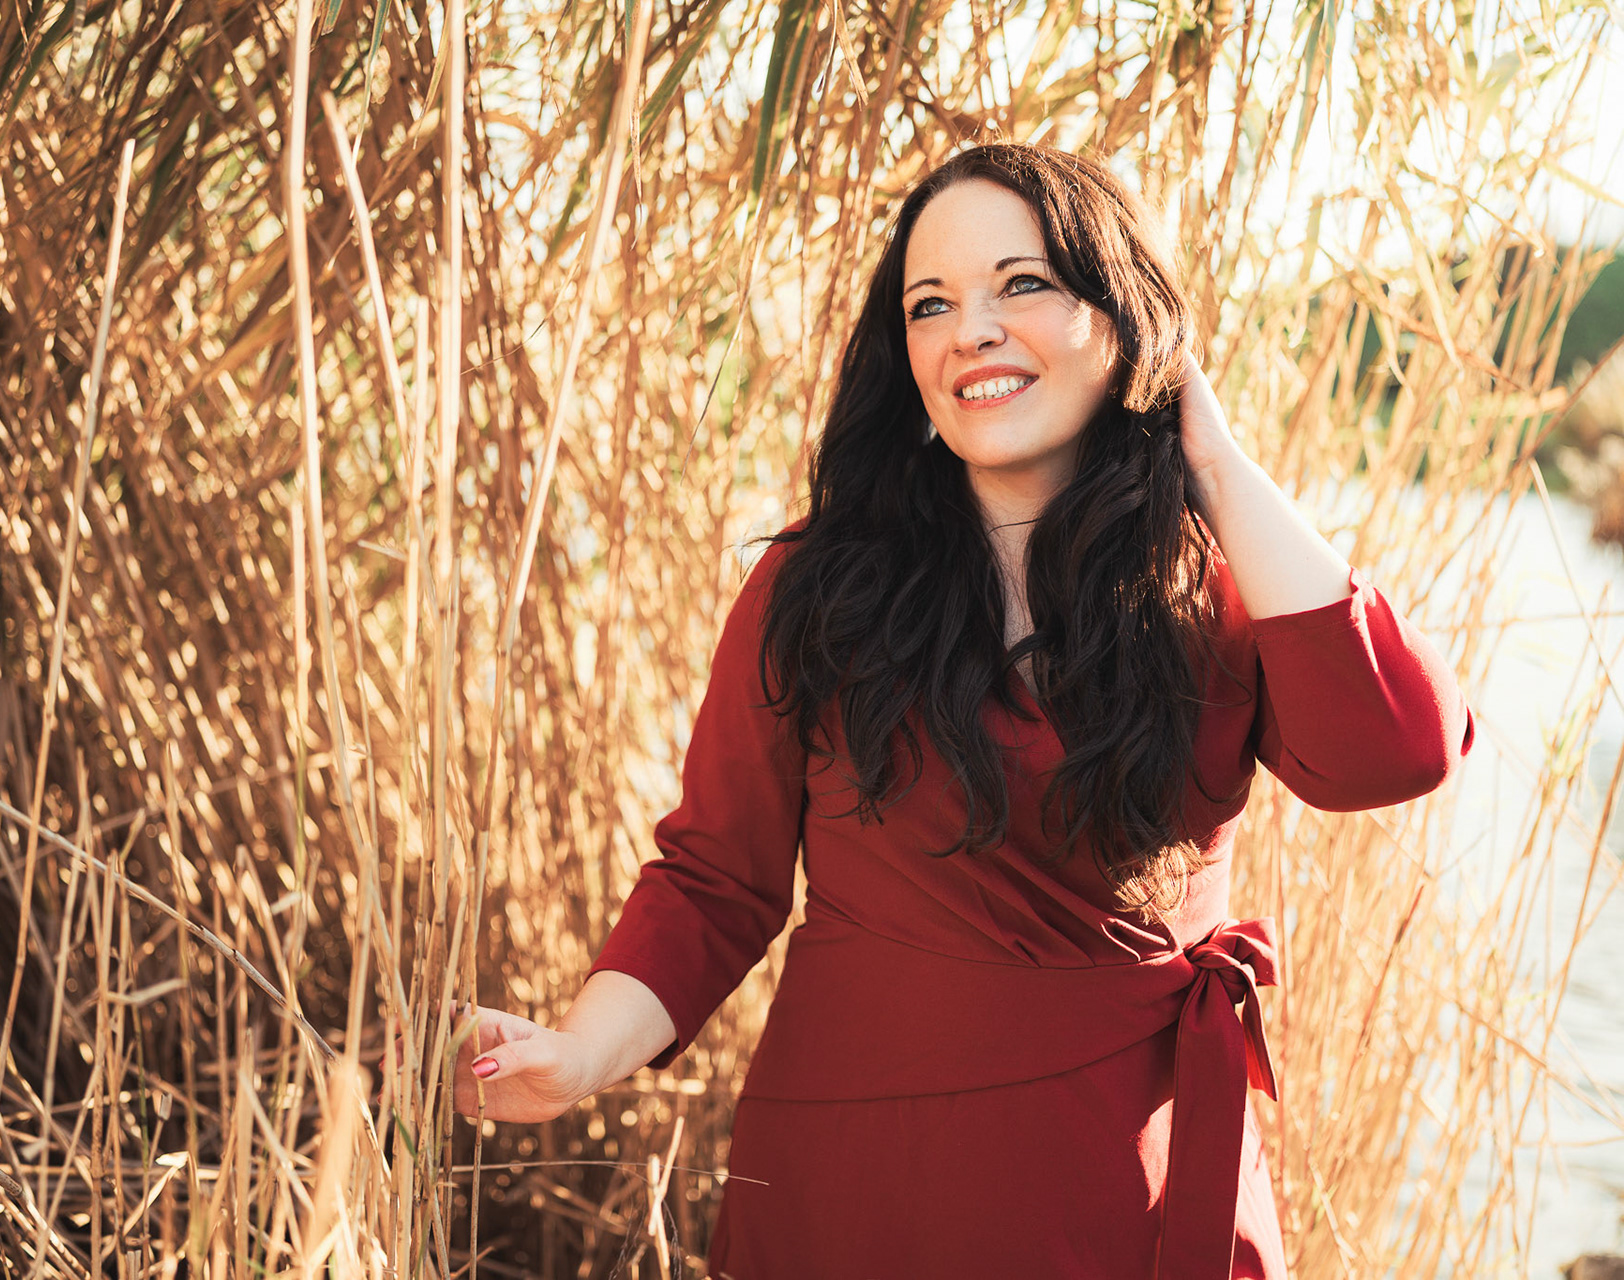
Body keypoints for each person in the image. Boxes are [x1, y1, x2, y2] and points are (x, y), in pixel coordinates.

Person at [451, 142, 1474, 1279]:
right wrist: (579, 1054)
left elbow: (1403, 748)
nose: (969, 331)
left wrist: (1216, 466)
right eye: (929, 304)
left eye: (1020, 284)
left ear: (1121, 313)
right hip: (850, 1192)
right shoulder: (817, 588)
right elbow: (713, 882)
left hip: (1134, 1197)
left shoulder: (1221, 588)